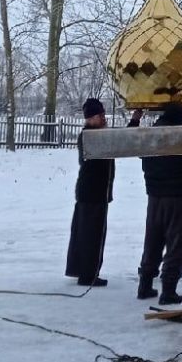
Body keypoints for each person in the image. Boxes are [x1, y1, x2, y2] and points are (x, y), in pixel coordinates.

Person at [137, 103, 182, 305]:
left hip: (154, 197)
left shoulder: (151, 134)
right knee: (177, 244)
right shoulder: (181, 136)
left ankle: (145, 285)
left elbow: (136, 148)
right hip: (179, 198)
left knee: (153, 240)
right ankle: (168, 290)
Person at [65, 97, 114, 288]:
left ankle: (87, 271)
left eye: (103, 114)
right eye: (99, 115)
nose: (103, 118)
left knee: (89, 233)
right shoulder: (91, 137)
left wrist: (134, 121)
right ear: (90, 118)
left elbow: (118, 143)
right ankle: (87, 273)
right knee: (90, 235)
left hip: (95, 193)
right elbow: (116, 144)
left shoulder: (97, 134)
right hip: (92, 193)